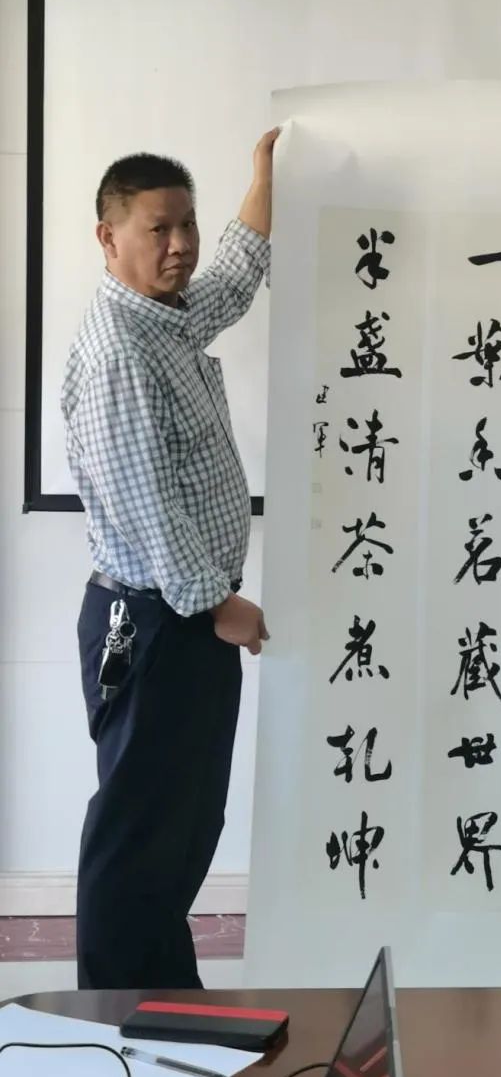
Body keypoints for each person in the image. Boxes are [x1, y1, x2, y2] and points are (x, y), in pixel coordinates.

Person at [62, 129, 279, 989]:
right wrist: (218, 604)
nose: (180, 243)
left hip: (179, 616)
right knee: (139, 833)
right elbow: (140, 499)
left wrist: (263, 177)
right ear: (109, 237)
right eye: (159, 228)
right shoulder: (121, 350)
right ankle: (113, 1024)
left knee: (180, 829)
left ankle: (163, 1001)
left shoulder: (166, 320)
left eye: (187, 223)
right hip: (153, 620)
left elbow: (230, 280)